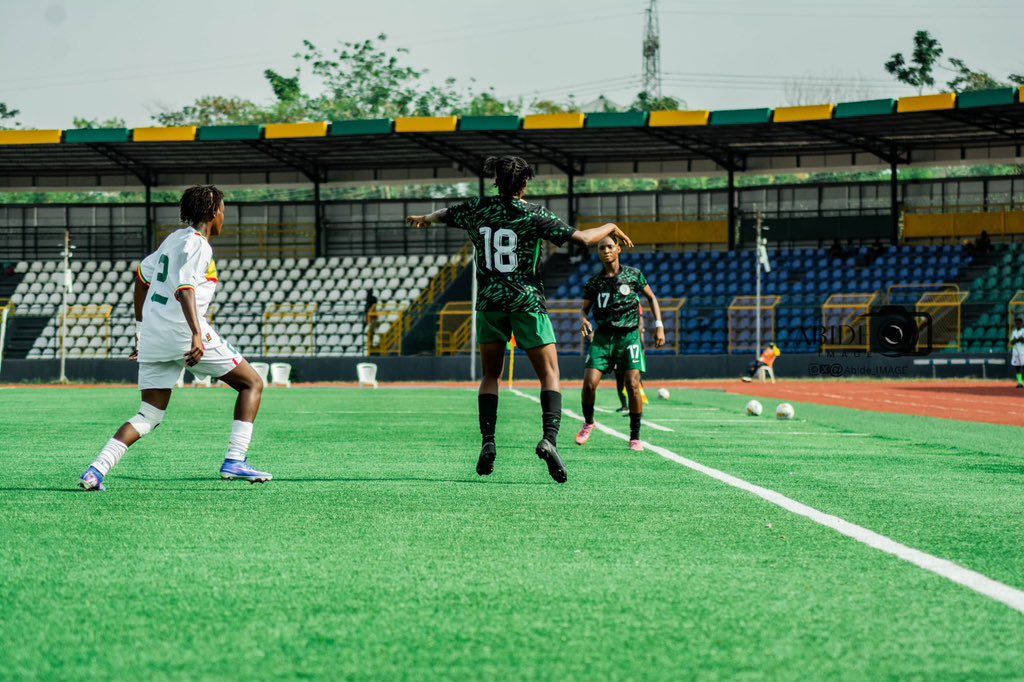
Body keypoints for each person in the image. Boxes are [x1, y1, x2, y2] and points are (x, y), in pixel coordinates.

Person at [405, 155, 632, 484]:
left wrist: (426, 218)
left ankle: (488, 442)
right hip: (526, 301)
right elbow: (583, 239)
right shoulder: (534, 214)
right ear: (524, 183)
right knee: (550, 374)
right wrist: (610, 226)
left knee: (490, 376)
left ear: (496, 180)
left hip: (489, 303)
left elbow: (445, 213)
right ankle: (549, 440)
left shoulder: (476, 208)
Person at [78, 185, 270, 492]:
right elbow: (185, 289)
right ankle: (235, 460)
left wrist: (140, 332)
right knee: (252, 383)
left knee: (149, 415)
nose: (224, 217)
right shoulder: (199, 244)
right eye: (222, 210)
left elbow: (141, 276)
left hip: (154, 337)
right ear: (211, 213)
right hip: (184, 332)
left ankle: (96, 470)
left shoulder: (173, 239)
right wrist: (196, 333)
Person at [575, 235, 665, 452]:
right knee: (589, 383)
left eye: (609, 247)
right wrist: (584, 320)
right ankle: (589, 422)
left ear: (618, 249)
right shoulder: (594, 283)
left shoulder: (633, 275)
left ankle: (635, 437)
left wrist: (659, 325)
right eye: (601, 248)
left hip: (629, 337)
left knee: (632, 385)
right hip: (603, 338)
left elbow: (651, 298)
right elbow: (583, 311)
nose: (605, 251)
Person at [1011, 318, 1024, 389]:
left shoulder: (1023, 331)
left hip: (1023, 351)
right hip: (1016, 352)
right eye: (1017, 323)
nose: (1018, 324)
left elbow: (1023, 340)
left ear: (1022, 323)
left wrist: (1017, 340)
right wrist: (1017, 340)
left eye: (1019, 323)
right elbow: (1011, 342)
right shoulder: (1014, 332)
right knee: (1017, 368)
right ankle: (1020, 383)